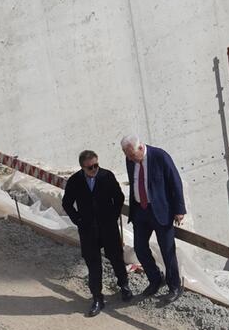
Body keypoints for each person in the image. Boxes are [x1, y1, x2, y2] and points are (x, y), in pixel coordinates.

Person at [62, 150, 131, 317]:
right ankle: (97, 298)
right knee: (93, 265)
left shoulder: (106, 176)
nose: (94, 170)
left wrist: (112, 216)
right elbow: (67, 203)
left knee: (116, 257)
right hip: (88, 230)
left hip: (108, 228)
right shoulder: (75, 181)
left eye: (96, 165)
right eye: (90, 167)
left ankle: (124, 286)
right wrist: (78, 220)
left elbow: (119, 198)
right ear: (82, 168)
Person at [120, 135, 186, 303]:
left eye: (132, 155)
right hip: (140, 211)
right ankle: (156, 279)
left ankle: (174, 287)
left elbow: (175, 182)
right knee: (140, 248)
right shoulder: (130, 160)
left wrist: (179, 210)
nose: (129, 159)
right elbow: (135, 181)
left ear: (141, 148)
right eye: (127, 155)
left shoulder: (160, 156)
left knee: (167, 251)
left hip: (160, 211)